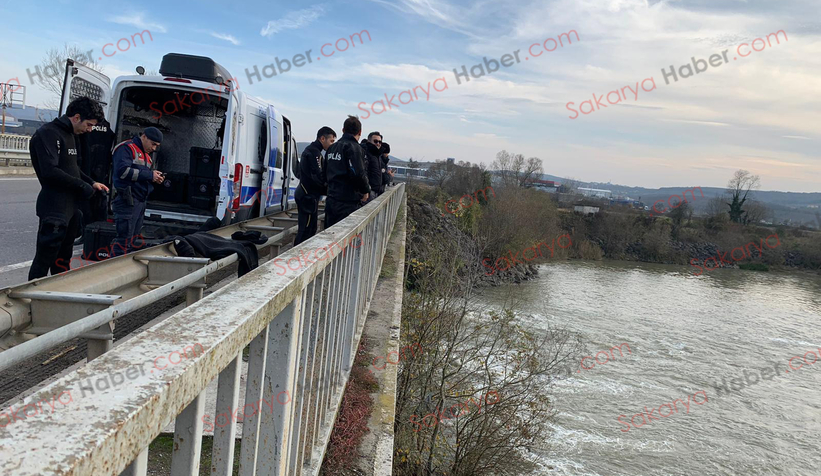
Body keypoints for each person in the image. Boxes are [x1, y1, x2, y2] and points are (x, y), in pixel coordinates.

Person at [28, 97, 109, 280]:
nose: (89, 130)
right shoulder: (48, 133)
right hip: (54, 208)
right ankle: (30, 302)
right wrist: (82, 186)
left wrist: (91, 182)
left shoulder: (71, 135)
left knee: (63, 260)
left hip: (70, 208)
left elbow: (72, 169)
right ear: (76, 117)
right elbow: (50, 172)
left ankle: (59, 298)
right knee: (44, 260)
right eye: (88, 125)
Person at [110, 127, 164, 257]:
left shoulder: (148, 156)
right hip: (127, 200)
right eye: (153, 144)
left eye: (157, 146)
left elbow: (143, 175)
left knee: (132, 239)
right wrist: (150, 176)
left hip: (139, 201)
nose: (154, 148)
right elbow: (123, 172)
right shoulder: (126, 148)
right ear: (144, 137)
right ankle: (113, 271)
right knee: (124, 240)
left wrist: (155, 177)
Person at [323, 116, 370, 228]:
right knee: (344, 238)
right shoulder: (355, 148)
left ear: (343, 130)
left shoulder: (331, 148)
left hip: (331, 199)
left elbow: (325, 172)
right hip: (348, 201)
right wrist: (365, 190)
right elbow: (359, 173)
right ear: (360, 132)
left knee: (329, 235)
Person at [294, 126, 336, 246]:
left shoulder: (312, 151)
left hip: (308, 194)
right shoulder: (314, 152)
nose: (332, 144)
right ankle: (296, 256)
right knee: (306, 230)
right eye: (331, 141)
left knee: (310, 228)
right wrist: (328, 189)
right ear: (322, 138)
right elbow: (318, 176)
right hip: (307, 195)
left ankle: (300, 256)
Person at [360, 132, 383, 202]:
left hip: (375, 191)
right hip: (368, 193)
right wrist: (366, 190)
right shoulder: (365, 153)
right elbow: (363, 172)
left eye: (380, 142)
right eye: (375, 141)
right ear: (369, 141)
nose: (378, 143)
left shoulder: (377, 155)